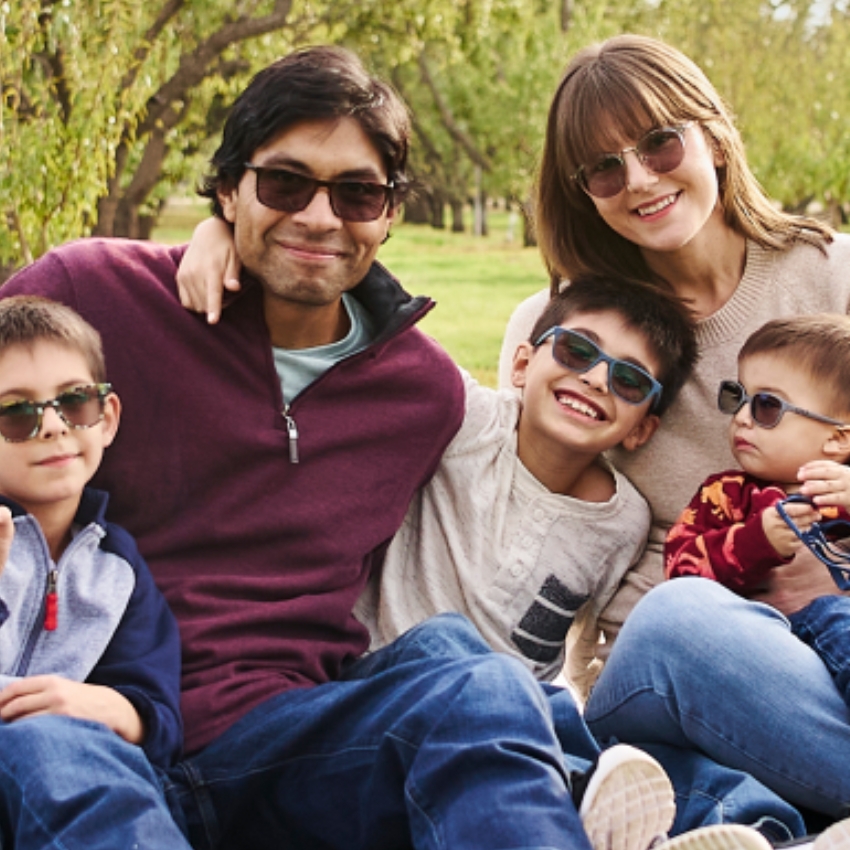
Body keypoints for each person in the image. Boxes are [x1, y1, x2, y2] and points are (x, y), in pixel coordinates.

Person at [0, 44, 727, 850]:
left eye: (356, 194)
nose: (319, 217)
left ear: (388, 215)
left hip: (284, 741)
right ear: (228, 186)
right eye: (284, 184)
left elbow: (545, 455)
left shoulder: (421, 392)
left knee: (476, 685)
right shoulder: (90, 293)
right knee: (46, 749)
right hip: (74, 717)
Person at [496, 32, 850, 833]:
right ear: (581, 191)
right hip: (673, 665)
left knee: (721, 805)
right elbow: (511, 517)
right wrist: (222, 228)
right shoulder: (568, 332)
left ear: (713, 136)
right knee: (681, 617)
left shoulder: (833, 275)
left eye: (660, 143)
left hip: (833, 653)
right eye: (604, 168)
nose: (640, 180)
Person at [357, 272, 697, 696]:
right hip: (389, 678)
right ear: (522, 365)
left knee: (546, 704)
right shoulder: (469, 421)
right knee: (463, 655)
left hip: (515, 711)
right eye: (576, 351)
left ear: (641, 430)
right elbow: (383, 325)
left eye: (629, 380)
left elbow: (586, 643)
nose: (595, 379)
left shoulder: (623, 523)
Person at [0, 296, 186, 842]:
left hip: (63, 790)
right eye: (16, 413)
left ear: (105, 419)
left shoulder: (117, 569)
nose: (54, 427)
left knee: (75, 754)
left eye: (74, 403)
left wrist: (101, 706)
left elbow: (159, 718)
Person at [666, 315, 850, 708]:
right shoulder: (728, 495)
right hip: (764, 648)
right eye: (738, 397)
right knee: (833, 617)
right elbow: (679, 574)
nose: (742, 417)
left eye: (767, 406)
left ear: (836, 439)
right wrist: (754, 542)